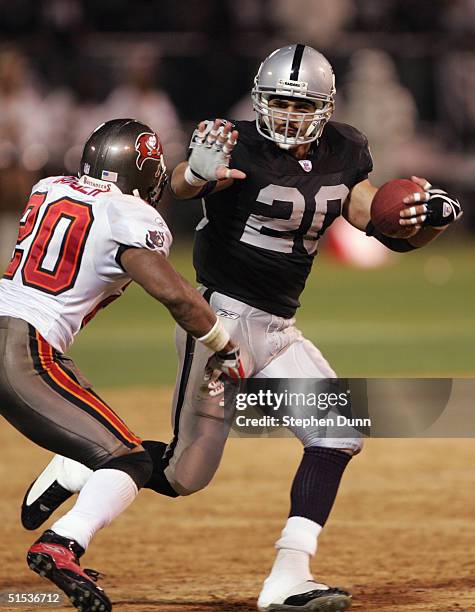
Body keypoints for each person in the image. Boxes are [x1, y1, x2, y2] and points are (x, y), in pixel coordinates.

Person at [20, 46, 462, 612]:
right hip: (219, 319)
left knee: (338, 433)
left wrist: (424, 219)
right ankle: (83, 483)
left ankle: (288, 574)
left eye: (300, 105)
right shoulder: (236, 140)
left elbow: (370, 215)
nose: (286, 114)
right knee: (185, 475)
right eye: (277, 101)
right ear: (259, 97)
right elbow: (180, 183)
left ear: (326, 107)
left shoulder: (347, 148)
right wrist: (195, 173)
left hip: (277, 326)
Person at [0, 118, 244, 612]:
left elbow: (106, 213)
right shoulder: (131, 215)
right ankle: (63, 543)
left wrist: (191, 180)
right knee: (129, 460)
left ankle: (70, 471)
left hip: (18, 335)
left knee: (110, 443)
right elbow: (176, 296)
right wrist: (225, 344)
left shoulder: (50, 187)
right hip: (23, 351)